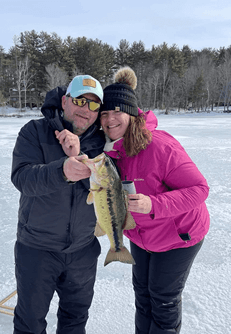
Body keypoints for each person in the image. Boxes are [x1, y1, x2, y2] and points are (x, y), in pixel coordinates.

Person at [100, 67, 210, 334]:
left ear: (132, 114)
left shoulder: (160, 147)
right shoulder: (112, 152)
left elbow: (200, 189)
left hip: (178, 236)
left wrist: (154, 205)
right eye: (104, 113)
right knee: (143, 298)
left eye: (117, 111)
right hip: (141, 237)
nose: (110, 119)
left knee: (163, 300)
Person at [11, 74, 105, 334]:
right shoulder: (34, 131)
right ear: (64, 101)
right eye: (79, 101)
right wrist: (62, 170)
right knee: (30, 322)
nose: (86, 110)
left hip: (83, 250)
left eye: (94, 105)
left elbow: (105, 187)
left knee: (75, 319)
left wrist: (81, 158)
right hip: (37, 249)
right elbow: (23, 178)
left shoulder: (101, 143)